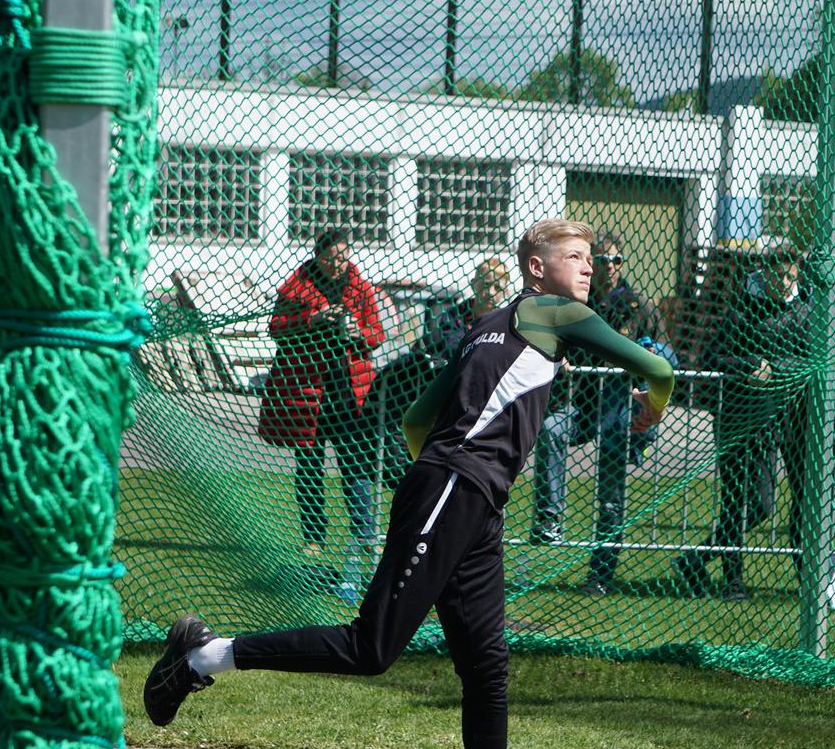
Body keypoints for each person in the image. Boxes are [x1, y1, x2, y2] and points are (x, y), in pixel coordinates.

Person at [145, 220, 675, 749]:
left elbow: (416, 420)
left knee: (487, 666)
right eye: (574, 256)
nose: (589, 267)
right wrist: (652, 407)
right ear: (536, 269)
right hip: (456, 491)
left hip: (467, 501)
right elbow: (655, 368)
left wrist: (447, 478)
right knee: (371, 648)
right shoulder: (553, 310)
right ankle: (201, 656)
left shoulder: (491, 326)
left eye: (591, 258)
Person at [675, 247, 811, 600]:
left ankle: (696, 560)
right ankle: (732, 580)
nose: (785, 283)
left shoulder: (804, 310)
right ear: (764, 274)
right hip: (741, 417)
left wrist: (775, 368)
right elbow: (713, 357)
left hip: (791, 417)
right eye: (778, 276)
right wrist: (750, 364)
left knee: (798, 499)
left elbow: (812, 361)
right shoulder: (742, 309)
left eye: (791, 276)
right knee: (745, 502)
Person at [257, 229, 385, 600]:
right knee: (309, 465)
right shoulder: (295, 286)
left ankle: (364, 533)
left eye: (343, 257)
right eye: (331, 257)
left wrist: (356, 330)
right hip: (307, 392)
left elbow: (376, 335)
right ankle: (314, 536)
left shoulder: (361, 288)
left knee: (355, 465)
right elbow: (276, 328)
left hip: (348, 393)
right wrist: (313, 319)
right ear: (318, 256)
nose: (337, 264)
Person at [529, 232, 657, 591]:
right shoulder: (574, 299)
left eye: (616, 261)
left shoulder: (635, 304)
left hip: (618, 406)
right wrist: (558, 355)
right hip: (583, 403)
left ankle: (600, 574)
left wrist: (644, 355)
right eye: (602, 261)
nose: (609, 267)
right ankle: (549, 519)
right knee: (552, 429)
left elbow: (655, 350)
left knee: (610, 494)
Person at [370, 259, 512, 494]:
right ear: (474, 283)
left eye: (497, 287)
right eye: (486, 284)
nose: (490, 291)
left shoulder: (508, 321)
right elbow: (453, 348)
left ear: (506, 290)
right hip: (453, 395)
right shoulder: (454, 316)